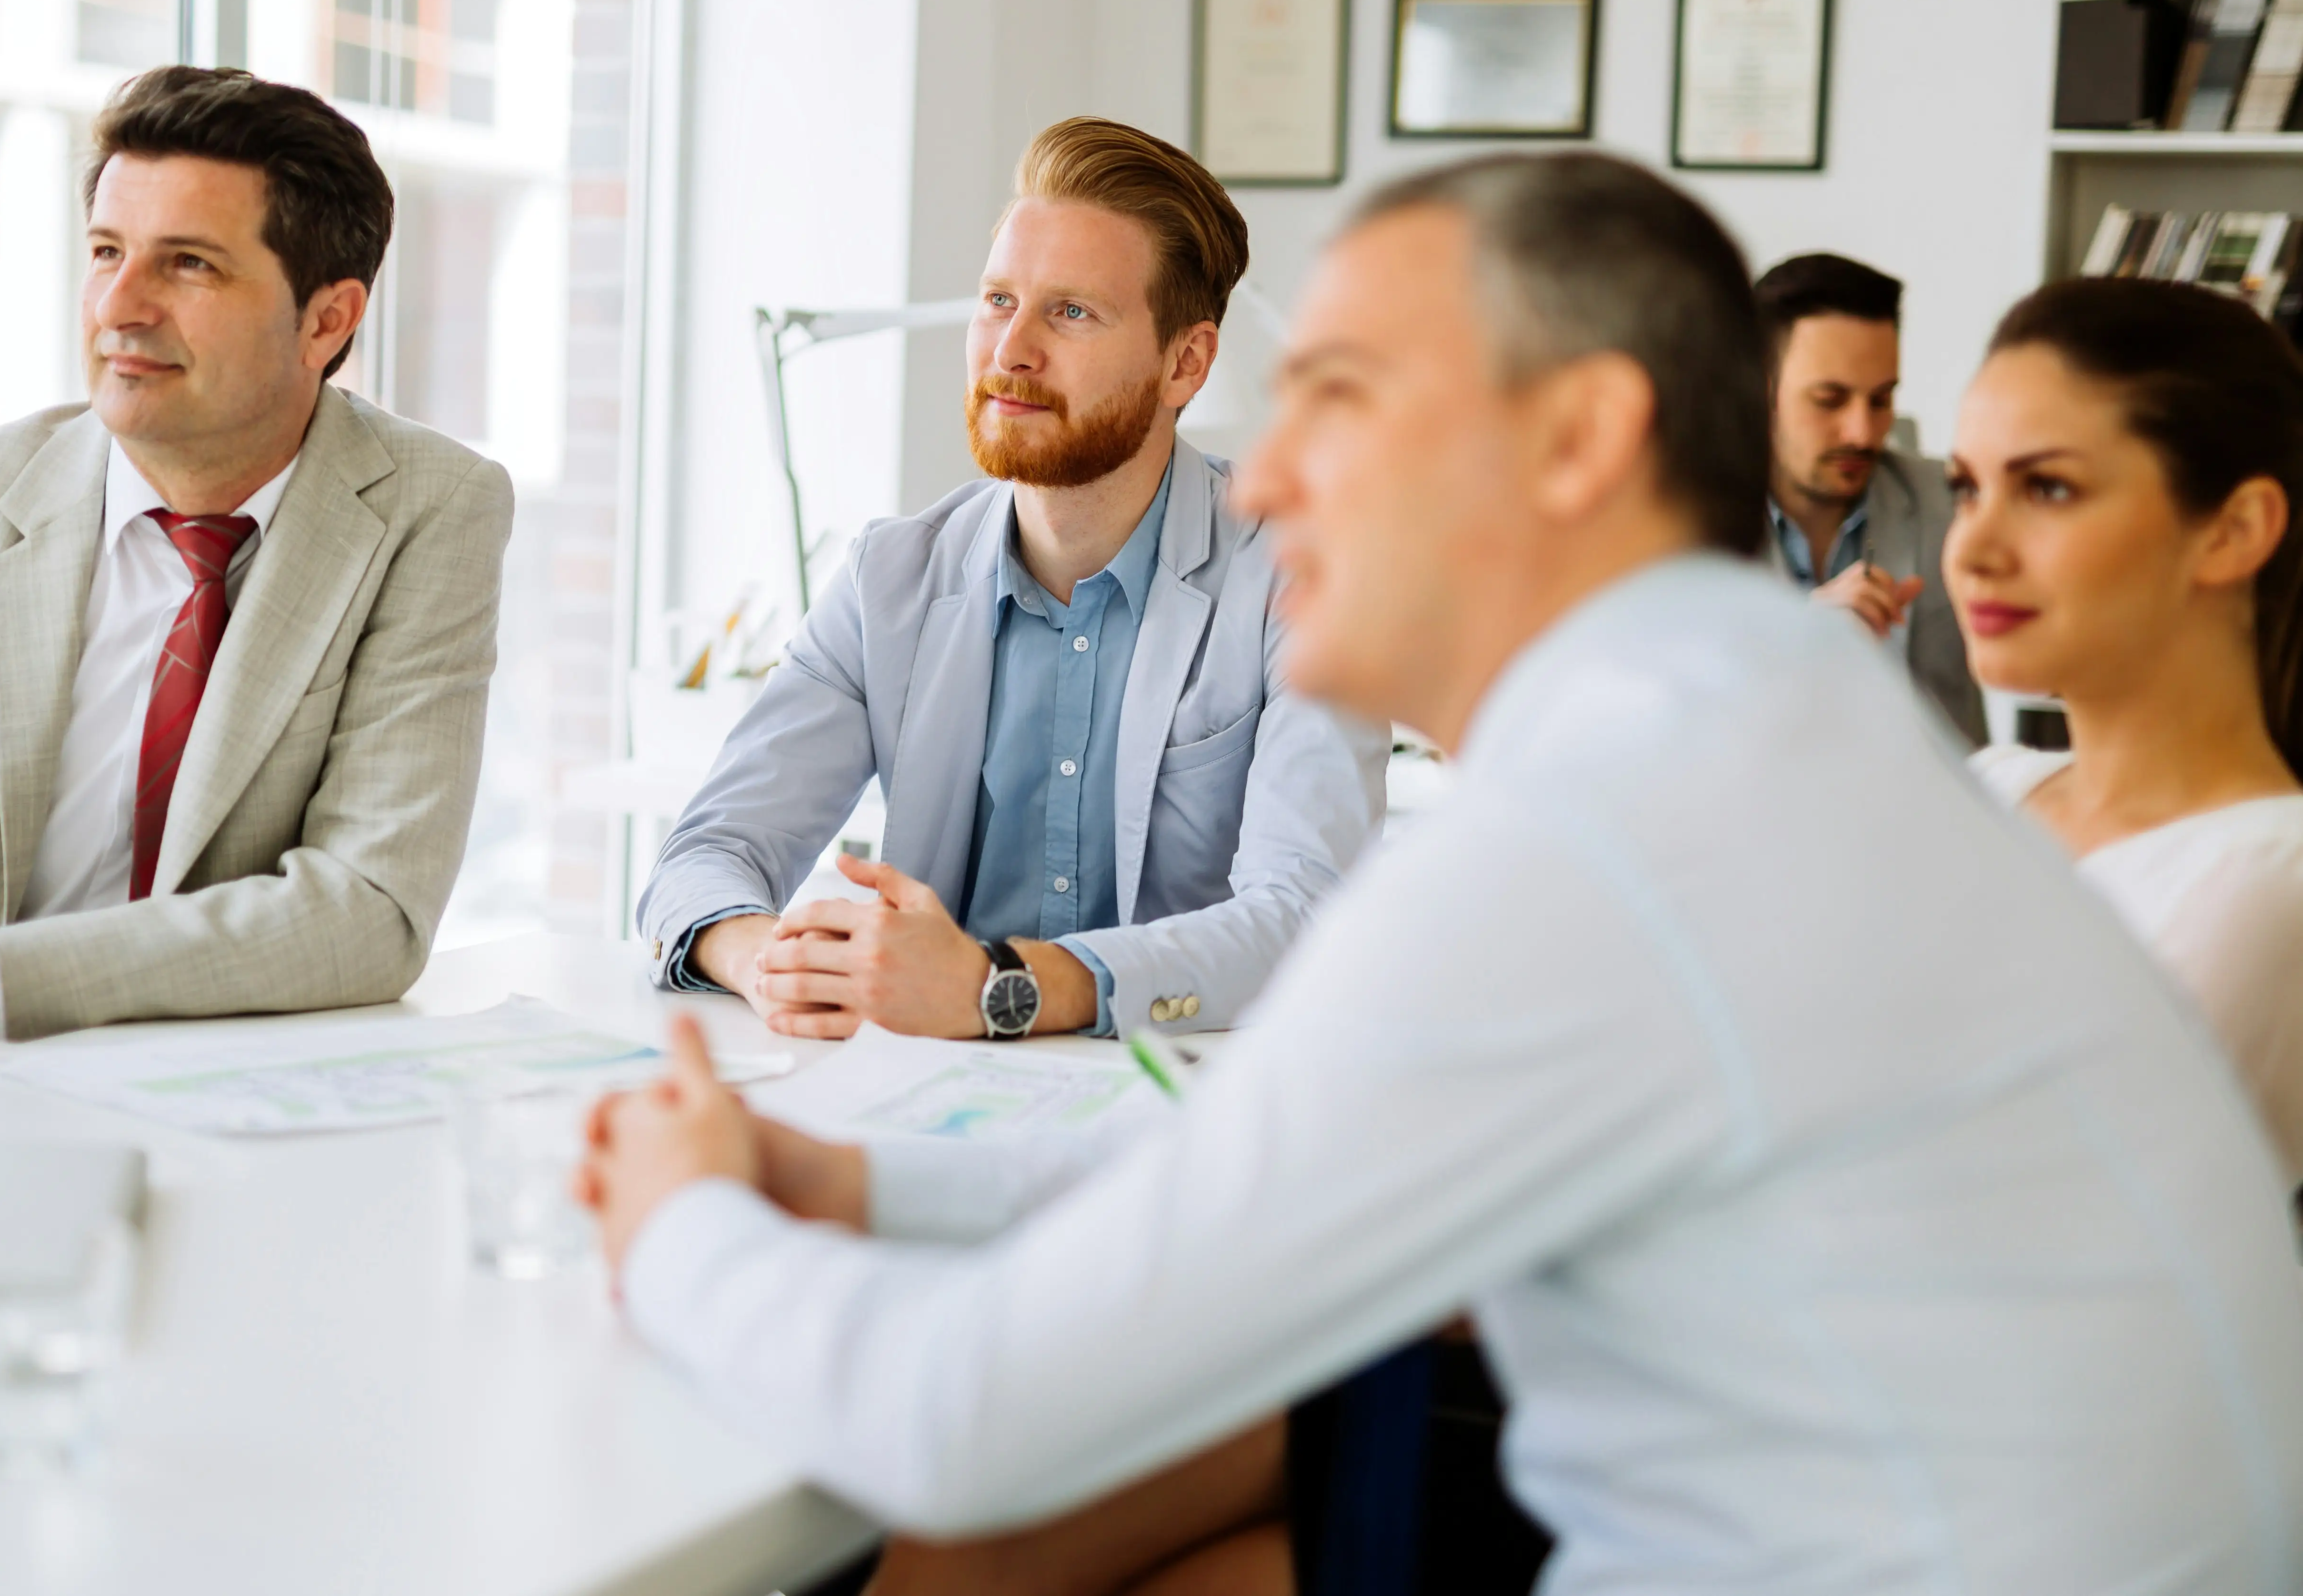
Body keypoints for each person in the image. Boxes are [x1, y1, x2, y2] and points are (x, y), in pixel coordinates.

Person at [582, 153, 2303, 1596]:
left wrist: (677, 1223)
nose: (1261, 472)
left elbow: (952, 1419)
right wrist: (845, 1185)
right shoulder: (1743, 724)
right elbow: (1239, 1154)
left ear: (1573, 440)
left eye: (1335, 397)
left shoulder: (1602, 836)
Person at [0, 66, 514, 1125]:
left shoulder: (433, 507)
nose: (118, 307)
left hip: (232, 1120)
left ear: (327, 321)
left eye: (187, 264)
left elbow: (368, 907)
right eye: (105, 252)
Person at [638, 117, 1384, 1043]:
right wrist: (770, 960)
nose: (1011, 352)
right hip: (937, 1100)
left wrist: (1008, 987)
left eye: (1071, 312)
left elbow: (1302, 919)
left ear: (1184, 363)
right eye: (998, 300)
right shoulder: (891, 577)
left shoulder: (1301, 575)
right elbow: (703, 858)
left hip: (1192, 1107)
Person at [1950, 276, 2303, 1190]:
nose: (1973, 548)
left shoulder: (2266, 885)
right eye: (1965, 489)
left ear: (2232, 531)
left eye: (2048, 488)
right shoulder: (1986, 783)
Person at [1757, 253, 1987, 745]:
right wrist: (1798, 642)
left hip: (1928, 812)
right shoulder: (1680, 525)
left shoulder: (1955, 505)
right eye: (1829, 401)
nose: (1863, 433)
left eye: (1880, 400)